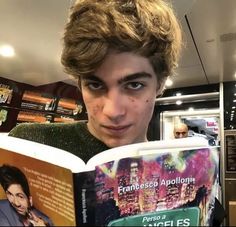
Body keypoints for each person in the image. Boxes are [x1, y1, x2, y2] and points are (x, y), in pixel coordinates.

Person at [8, 0, 182, 163]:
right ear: (79, 82)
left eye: (134, 85)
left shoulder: (176, 169)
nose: (112, 112)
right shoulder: (30, 143)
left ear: (160, 83)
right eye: (95, 85)